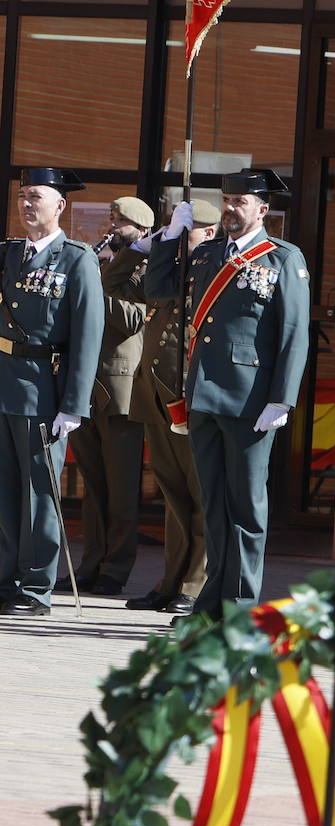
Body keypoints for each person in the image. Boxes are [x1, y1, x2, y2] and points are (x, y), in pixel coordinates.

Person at [144, 169, 309, 619]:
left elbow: (294, 333)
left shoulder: (282, 258)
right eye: (228, 200)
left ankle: (239, 607)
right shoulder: (209, 253)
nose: (232, 208)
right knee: (213, 504)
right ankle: (210, 602)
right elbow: (157, 289)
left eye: (241, 202)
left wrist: (283, 398)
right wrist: (170, 236)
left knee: (246, 507)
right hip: (203, 394)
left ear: (263, 209)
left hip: (251, 399)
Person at [105, 199, 220, 615]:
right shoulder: (163, 272)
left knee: (201, 497)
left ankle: (195, 583)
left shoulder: (212, 275)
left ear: (208, 233)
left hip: (190, 400)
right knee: (173, 498)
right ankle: (170, 581)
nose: (176, 238)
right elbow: (111, 285)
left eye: (184, 230)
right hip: (154, 397)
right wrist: (142, 248)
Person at [0, 167, 103, 617]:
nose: (26, 204)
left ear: (59, 205)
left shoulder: (76, 258)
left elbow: (88, 335)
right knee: (3, 491)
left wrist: (74, 405)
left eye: (36, 196)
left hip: (44, 387)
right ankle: (4, 580)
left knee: (39, 493)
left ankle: (35, 587)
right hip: (4, 381)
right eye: (22, 195)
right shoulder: (6, 253)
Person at [64, 197, 155, 596]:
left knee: (120, 490)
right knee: (93, 486)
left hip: (120, 389)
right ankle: (89, 563)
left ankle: (115, 569)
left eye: (122, 222)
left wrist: (88, 291)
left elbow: (133, 319)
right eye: (112, 219)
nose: (113, 227)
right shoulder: (99, 263)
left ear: (142, 231)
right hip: (86, 386)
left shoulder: (147, 268)